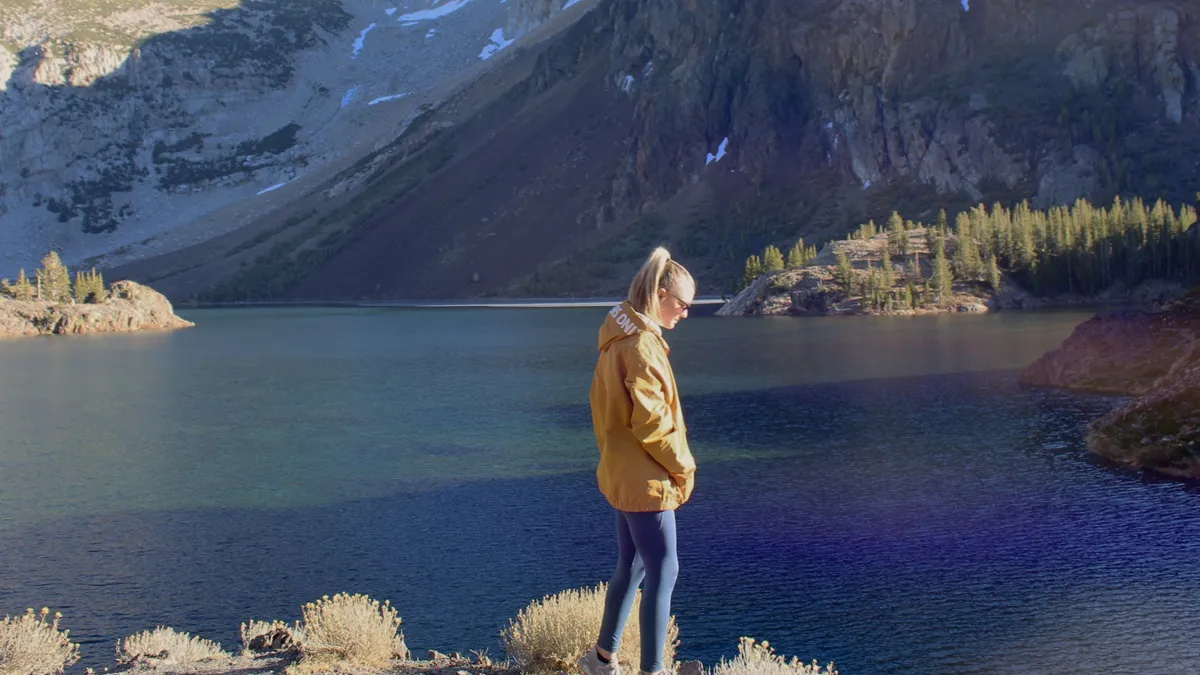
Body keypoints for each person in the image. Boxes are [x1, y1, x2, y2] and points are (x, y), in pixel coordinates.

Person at [580, 247, 698, 675]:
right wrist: (684, 468)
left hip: (621, 474)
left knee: (631, 566)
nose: (686, 313)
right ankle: (653, 670)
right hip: (647, 482)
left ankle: (602, 658)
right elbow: (654, 426)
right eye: (683, 304)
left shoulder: (616, 340)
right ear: (662, 295)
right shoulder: (644, 348)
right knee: (664, 571)